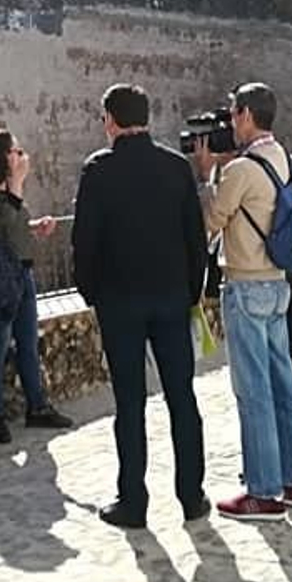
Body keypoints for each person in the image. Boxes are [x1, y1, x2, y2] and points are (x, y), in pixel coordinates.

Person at [73, 84, 209, 528]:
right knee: (181, 397)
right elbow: (195, 237)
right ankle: (192, 495)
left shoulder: (99, 170)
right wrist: (191, 291)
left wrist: (92, 292)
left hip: (120, 302)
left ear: (110, 120)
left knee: (129, 403)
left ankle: (133, 500)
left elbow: (85, 242)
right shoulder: (175, 167)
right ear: (147, 119)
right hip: (171, 298)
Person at [192, 83, 292, 521]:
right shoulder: (284, 158)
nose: (229, 122)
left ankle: (263, 492)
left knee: (254, 391)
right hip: (279, 284)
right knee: (284, 384)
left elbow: (211, 222)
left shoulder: (241, 170)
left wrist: (209, 172)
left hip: (246, 286)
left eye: (232, 114)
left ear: (245, 115)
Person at [0, 128, 75, 443]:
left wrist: (33, 227)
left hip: (21, 273)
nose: (20, 156)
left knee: (28, 341)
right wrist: (16, 186)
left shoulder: (5, 190)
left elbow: (12, 225)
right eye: (15, 151)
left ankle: (37, 406)